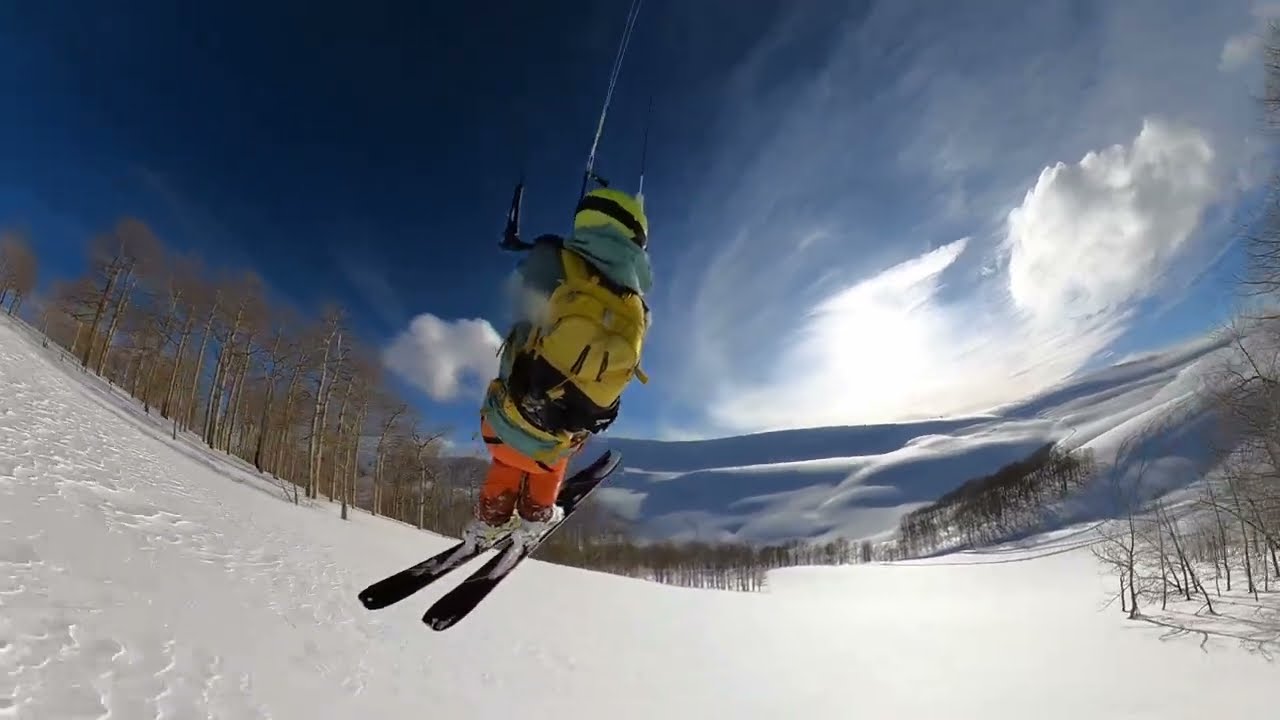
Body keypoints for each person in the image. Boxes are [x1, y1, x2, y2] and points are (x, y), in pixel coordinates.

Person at [460, 186, 653, 550]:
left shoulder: (552, 257)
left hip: (507, 418)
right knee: (553, 450)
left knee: (510, 449)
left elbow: (519, 298)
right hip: (564, 433)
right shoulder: (638, 307)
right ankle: (537, 513)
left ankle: (491, 519)